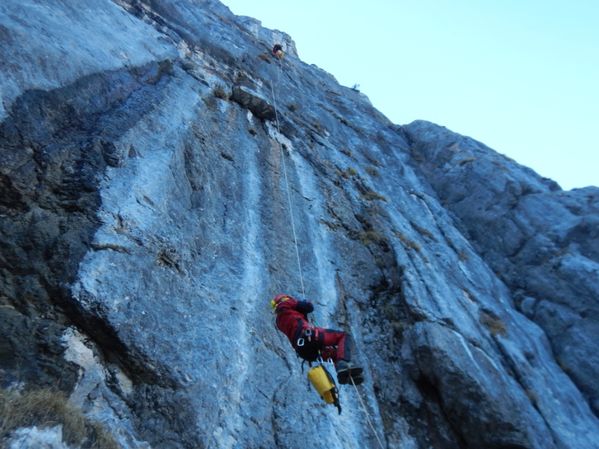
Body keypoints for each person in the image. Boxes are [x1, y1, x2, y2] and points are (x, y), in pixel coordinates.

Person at [271, 293, 363, 384]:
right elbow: (309, 307)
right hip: (309, 337)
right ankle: (343, 366)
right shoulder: (286, 303)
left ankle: (344, 373)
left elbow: (295, 322)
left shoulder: (279, 322)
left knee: (336, 355)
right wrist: (305, 303)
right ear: (285, 299)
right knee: (343, 336)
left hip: (304, 352)